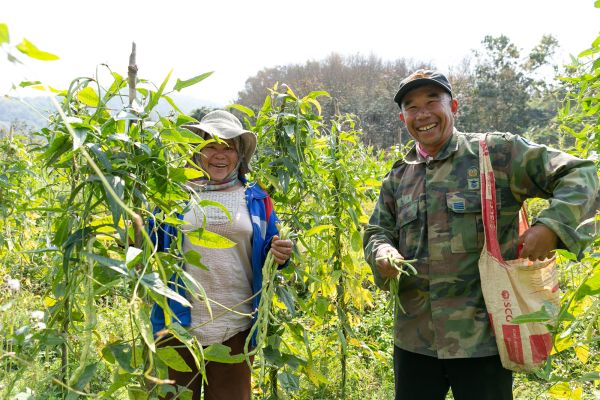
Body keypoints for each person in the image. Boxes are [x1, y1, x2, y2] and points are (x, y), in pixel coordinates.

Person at [363, 69, 599, 400]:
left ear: (454, 107)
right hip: (415, 340)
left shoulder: (496, 154)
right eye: (412, 107)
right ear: (403, 118)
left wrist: (551, 226)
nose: (423, 114)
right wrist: (382, 252)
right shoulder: (399, 177)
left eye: (433, 101)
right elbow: (377, 230)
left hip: (484, 340)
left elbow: (580, 174)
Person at [148, 110, 293, 399]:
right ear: (197, 150)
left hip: (234, 325)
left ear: (240, 153)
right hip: (176, 325)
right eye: (211, 145)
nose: (219, 154)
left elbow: (271, 252)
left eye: (228, 146)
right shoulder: (174, 195)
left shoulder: (257, 198)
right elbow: (149, 246)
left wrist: (281, 254)